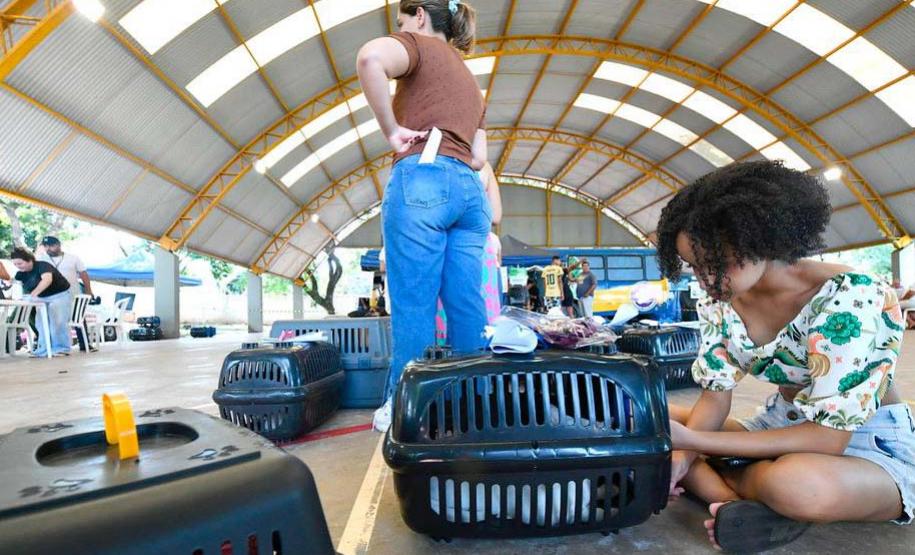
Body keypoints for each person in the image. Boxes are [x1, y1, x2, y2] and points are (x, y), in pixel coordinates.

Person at [654, 160, 911, 553]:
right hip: (779, 424)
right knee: (656, 419)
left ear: (757, 236)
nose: (705, 279)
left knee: (798, 485)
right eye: (693, 266)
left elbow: (828, 441)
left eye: (714, 261)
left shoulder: (852, 296)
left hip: (860, 444)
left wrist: (693, 445)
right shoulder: (722, 303)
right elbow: (715, 397)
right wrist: (684, 454)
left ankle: (732, 488)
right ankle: (742, 508)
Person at [357, 0, 489, 432]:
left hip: (424, 176)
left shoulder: (417, 45)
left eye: (401, 21)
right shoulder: (470, 81)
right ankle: (475, 410)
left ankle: (405, 407)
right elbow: (479, 157)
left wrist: (392, 131)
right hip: (471, 197)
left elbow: (370, 58)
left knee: (414, 302)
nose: (400, 29)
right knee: (466, 306)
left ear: (418, 16)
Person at [10, 247, 72, 357]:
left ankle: (61, 348)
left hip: (59, 294)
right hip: (41, 297)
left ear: (29, 260)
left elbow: (47, 280)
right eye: (15, 264)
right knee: (40, 323)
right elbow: (15, 284)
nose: (18, 266)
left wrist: (33, 295)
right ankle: (43, 349)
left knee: (57, 321)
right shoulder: (21, 274)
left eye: (20, 263)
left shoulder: (43, 266)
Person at [37, 236, 95, 351]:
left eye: (52, 245)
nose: (49, 248)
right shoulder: (42, 260)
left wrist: (88, 290)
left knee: (78, 318)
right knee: (51, 319)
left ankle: (84, 343)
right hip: (52, 296)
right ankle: (47, 345)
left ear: (59, 245)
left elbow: (83, 274)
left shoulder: (73, 258)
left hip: (73, 294)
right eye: (46, 246)